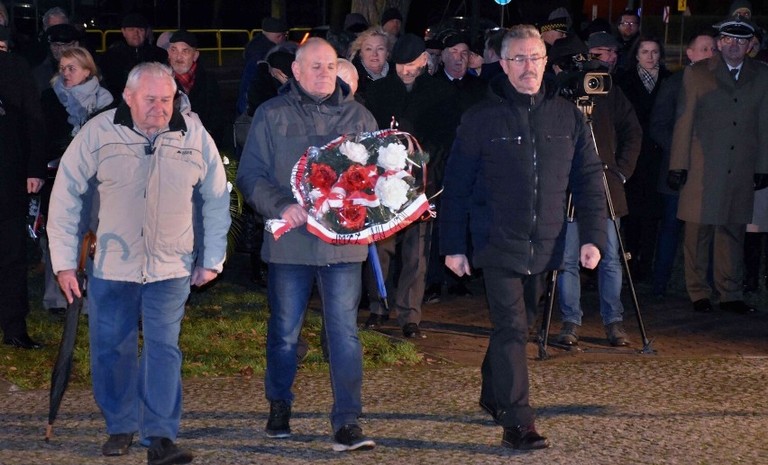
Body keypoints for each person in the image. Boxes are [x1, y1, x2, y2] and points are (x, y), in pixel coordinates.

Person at [47, 62, 231, 464]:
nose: (159, 108)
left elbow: (217, 198)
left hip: (172, 265)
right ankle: (120, 424)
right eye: (150, 99)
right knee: (112, 349)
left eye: (167, 99)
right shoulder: (98, 132)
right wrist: (63, 263)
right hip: (112, 265)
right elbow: (65, 197)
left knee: (164, 350)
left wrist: (212, 258)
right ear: (128, 97)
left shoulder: (193, 134)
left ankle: (160, 435)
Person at [440, 25, 606, 451]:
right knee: (513, 327)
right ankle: (518, 420)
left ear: (546, 62)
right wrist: (453, 245)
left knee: (518, 325)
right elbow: (456, 185)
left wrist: (593, 237)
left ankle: (492, 393)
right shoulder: (480, 118)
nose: (528, 66)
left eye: (535, 57)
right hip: (496, 240)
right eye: (519, 58)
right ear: (503, 63)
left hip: (546, 242)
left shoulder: (568, 116)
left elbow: (588, 180)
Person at [235, 37, 378, 452]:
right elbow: (250, 175)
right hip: (291, 244)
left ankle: (347, 420)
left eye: (330, 66)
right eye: (314, 66)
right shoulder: (271, 114)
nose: (323, 73)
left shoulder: (360, 116)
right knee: (284, 332)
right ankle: (279, 404)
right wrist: (281, 205)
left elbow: (376, 177)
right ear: (295, 71)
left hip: (342, 246)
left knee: (344, 334)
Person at [668, 17, 768, 314]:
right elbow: (684, 122)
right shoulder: (697, 73)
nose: (734, 45)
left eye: (741, 41)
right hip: (702, 166)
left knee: (732, 230)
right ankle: (698, 291)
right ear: (719, 43)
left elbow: (765, 124)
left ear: (750, 45)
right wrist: (678, 164)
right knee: (697, 231)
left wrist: (763, 166)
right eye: (728, 39)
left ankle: (730, 293)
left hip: (740, 166)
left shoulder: (762, 75)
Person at [362, 33, 459, 337]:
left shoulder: (442, 94)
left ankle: (410, 315)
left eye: (412, 64)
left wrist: (423, 161)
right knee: (381, 247)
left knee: (416, 253)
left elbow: (445, 140)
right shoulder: (378, 92)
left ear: (424, 60)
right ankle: (378, 306)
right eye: (400, 65)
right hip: (382, 184)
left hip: (422, 183)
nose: (406, 71)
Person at [547, 35, 642, 347]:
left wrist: (621, 170)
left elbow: (632, 130)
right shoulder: (553, 94)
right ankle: (570, 321)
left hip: (604, 186)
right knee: (567, 259)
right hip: (566, 188)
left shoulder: (605, 88)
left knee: (611, 257)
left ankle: (614, 321)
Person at [39, 46, 114, 316]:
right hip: (58, 173)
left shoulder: (106, 101)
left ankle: (91, 295)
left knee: (94, 233)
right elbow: (43, 136)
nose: (65, 73)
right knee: (60, 230)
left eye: (72, 68)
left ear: (87, 71)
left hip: (96, 177)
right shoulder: (50, 98)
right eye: (62, 68)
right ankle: (57, 297)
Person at [648, 31, 715, 297]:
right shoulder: (675, 83)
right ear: (690, 53)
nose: (710, 54)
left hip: (706, 174)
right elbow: (658, 125)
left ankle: (708, 285)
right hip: (676, 173)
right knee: (670, 229)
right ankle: (660, 284)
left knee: (706, 232)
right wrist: (682, 154)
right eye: (704, 49)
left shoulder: (720, 85)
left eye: (713, 49)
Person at [0, 45, 47, 350]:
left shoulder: (13, 67)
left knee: (11, 255)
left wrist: (34, 168)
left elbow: (34, 119)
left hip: (8, 176)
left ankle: (14, 327)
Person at [617, 35, 671, 282]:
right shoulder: (625, 80)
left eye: (655, 52)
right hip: (633, 154)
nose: (650, 57)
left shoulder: (669, 80)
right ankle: (631, 260)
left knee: (653, 214)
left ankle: (646, 263)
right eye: (645, 52)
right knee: (632, 212)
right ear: (636, 55)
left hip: (658, 156)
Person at [166, 30, 227, 149]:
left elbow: (218, 118)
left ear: (195, 55)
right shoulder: (160, 79)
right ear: (168, 53)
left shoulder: (208, 81)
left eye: (185, 51)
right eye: (174, 50)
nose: (178, 57)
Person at [99, 13, 168, 101]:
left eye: (140, 30)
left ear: (146, 32)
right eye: (131, 30)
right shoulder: (110, 56)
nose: (136, 33)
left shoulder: (159, 55)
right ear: (123, 32)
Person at [237, 17, 289, 114]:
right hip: (258, 108)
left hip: (247, 105)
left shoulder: (253, 45)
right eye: (285, 35)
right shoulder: (273, 54)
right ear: (280, 36)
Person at [32, 23, 82, 95]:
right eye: (55, 45)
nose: (61, 50)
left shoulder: (88, 69)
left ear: (76, 45)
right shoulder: (41, 73)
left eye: (65, 45)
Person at [347, 27, 393, 99]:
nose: (374, 54)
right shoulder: (351, 78)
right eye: (369, 49)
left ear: (387, 53)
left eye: (380, 48)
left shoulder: (399, 75)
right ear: (360, 53)